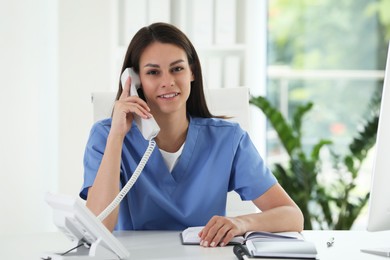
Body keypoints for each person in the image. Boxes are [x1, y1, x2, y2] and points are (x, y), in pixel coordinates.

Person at [81, 22, 303, 248]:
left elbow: (292, 216)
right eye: (153, 72)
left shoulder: (228, 139)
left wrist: (242, 223)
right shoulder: (106, 136)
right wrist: (117, 136)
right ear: (135, 80)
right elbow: (98, 226)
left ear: (192, 72)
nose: (167, 82)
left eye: (177, 69)